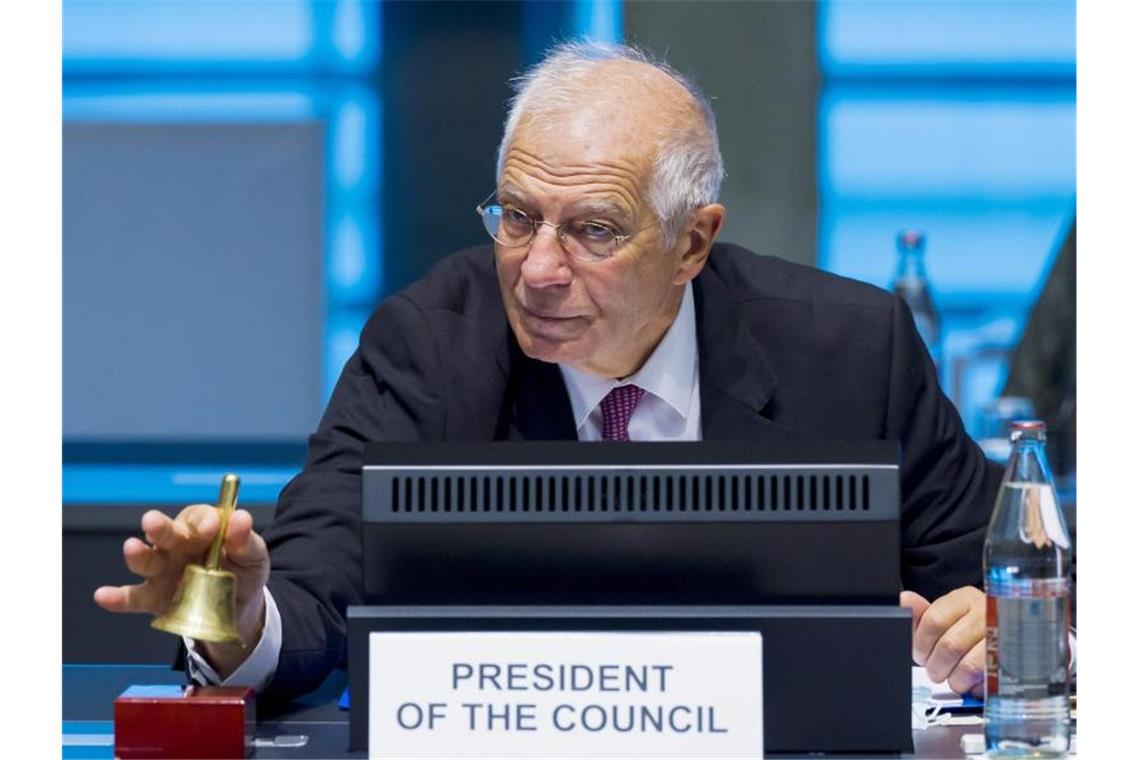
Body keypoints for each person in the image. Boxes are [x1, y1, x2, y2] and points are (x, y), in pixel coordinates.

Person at [94, 41, 1001, 702]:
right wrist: (237, 618)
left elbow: (1002, 579)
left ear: (693, 241)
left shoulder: (849, 347)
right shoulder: (430, 341)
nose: (536, 269)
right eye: (519, 216)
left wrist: (996, 628)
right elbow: (318, 582)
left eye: (594, 230)